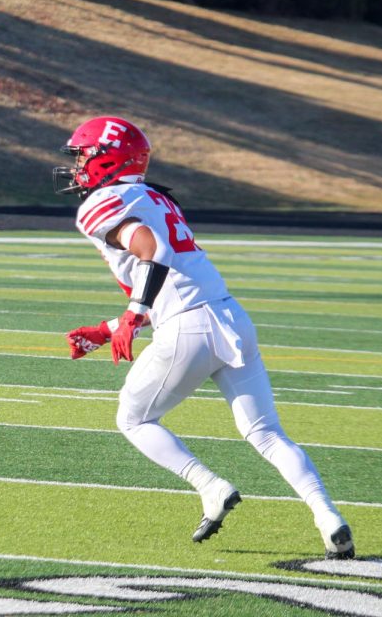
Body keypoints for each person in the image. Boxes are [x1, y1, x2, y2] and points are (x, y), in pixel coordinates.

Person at [54, 115, 354, 557]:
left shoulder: (101, 203)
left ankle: (210, 486)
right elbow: (177, 283)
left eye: (84, 155)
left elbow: (152, 249)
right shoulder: (155, 196)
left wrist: (134, 313)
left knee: (132, 419)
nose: (77, 165)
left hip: (186, 327)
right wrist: (109, 328)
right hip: (229, 316)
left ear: (106, 159)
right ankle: (328, 517)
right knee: (267, 434)